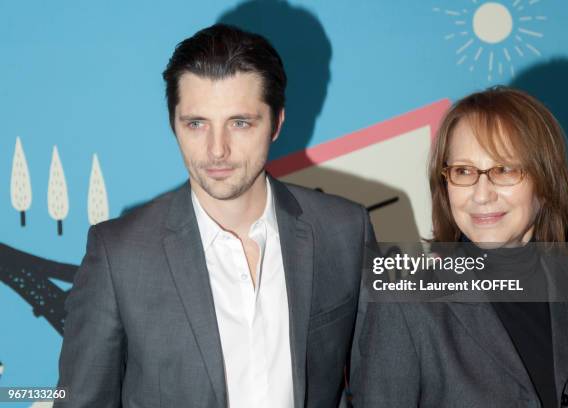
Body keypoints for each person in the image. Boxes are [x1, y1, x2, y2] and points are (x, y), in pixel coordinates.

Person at [56, 24, 375, 408]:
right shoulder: (119, 255)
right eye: (196, 124)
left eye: (240, 123)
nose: (217, 150)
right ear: (173, 124)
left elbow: (380, 385)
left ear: (276, 124)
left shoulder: (344, 231)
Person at [353, 87, 568, 407]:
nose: (481, 193)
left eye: (504, 170)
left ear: (545, 183)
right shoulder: (405, 304)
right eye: (464, 171)